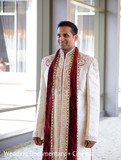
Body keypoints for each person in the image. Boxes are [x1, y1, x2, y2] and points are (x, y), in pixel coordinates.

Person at [33, 21, 100, 160]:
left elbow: (93, 101)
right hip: (53, 128)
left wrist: (91, 133)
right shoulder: (47, 62)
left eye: (65, 35)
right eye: (58, 35)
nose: (61, 39)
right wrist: (37, 130)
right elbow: (43, 97)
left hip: (78, 130)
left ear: (75, 37)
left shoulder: (88, 62)